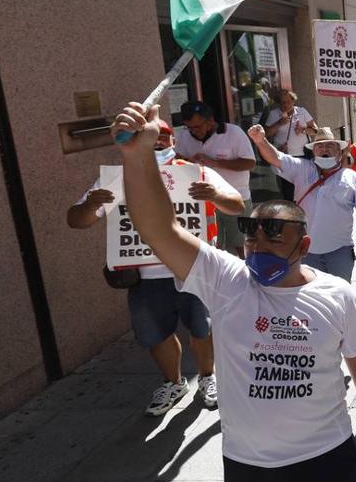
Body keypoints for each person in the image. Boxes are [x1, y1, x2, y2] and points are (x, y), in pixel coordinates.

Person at [110, 102, 356, 479]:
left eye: (275, 233)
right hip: (249, 463)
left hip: (328, 454)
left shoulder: (338, 295)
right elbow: (159, 229)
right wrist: (136, 156)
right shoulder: (226, 281)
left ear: (304, 246)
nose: (258, 243)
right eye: (251, 231)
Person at [68, 118, 243, 416]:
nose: (157, 142)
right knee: (155, 334)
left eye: (163, 137)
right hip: (144, 276)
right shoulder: (116, 180)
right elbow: (76, 220)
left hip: (193, 270)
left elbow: (237, 204)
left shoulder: (196, 173)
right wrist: (89, 206)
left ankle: (207, 377)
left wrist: (214, 195)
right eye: (150, 137)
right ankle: (173, 383)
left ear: (174, 141)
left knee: (202, 329)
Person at [249, 125, 356, 284]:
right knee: (310, 293)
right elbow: (276, 157)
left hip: (340, 250)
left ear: (339, 152)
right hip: (306, 250)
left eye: (330, 145)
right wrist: (261, 141)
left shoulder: (353, 178)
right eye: (320, 146)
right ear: (313, 151)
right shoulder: (301, 168)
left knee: (341, 294)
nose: (324, 149)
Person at [176, 101, 256, 256]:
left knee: (243, 246)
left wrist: (215, 162)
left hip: (236, 197)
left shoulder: (233, 132)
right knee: (212, 248)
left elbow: (250, 163)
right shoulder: (184, 136)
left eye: (198, 127)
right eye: (189, 127)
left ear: (210, 121)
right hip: (204, 202)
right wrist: (189, 162)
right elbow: (177, 162)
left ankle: (250, 277)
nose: (194, 131)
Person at [263, 90, 317, 201]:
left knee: (304, 188)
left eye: (287, 101)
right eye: (282, 102)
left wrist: (303, 130)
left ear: (293, 101)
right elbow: (266, 134)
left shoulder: (302, 112)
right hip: (284, 157)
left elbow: (316, 131)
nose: (285, 105)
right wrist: (279, 123)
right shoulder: (274, 114)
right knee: (288, 191)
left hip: (303, 156)